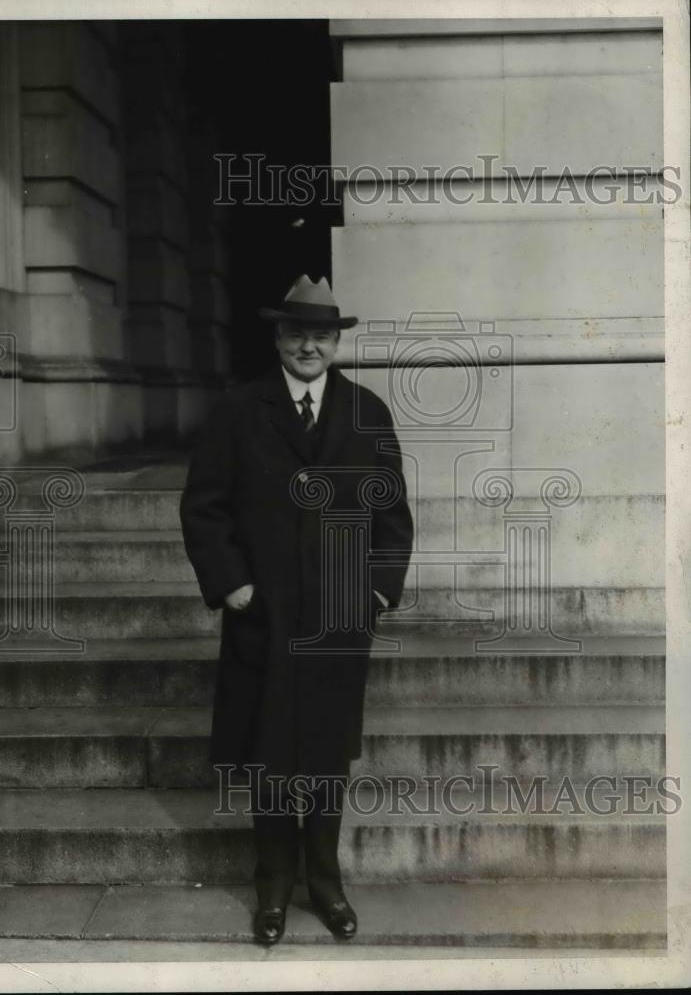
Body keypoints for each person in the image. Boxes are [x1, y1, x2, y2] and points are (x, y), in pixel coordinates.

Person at [180, 274, 413, 944]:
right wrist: (230, 584)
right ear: (278, 338)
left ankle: (324, 880)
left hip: (339, 618)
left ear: (336, 342)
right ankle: (273, 884)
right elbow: (204, 507)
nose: (307, 345)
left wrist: (374, 588)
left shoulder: (367, 413)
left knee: (325, 753)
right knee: (270, 752)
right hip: (265, 613)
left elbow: (391, 517)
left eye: (320, 334)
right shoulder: (237, 410)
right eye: (295, 333)